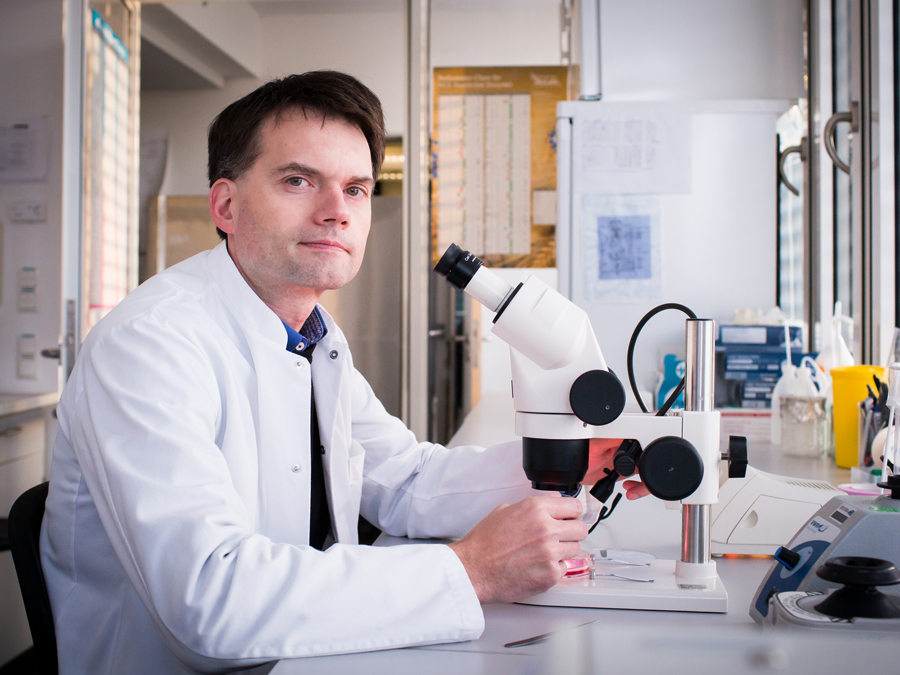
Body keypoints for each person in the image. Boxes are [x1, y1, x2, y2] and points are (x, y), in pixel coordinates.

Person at [41, 71, 646, 675]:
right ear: (225, 205)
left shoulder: (314, 336)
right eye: (299, 181)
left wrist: (575, 458)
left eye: (357, 189)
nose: (337, 211)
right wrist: (470, 570)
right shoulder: (150, 344)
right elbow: (209, 598)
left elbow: (407, 481)